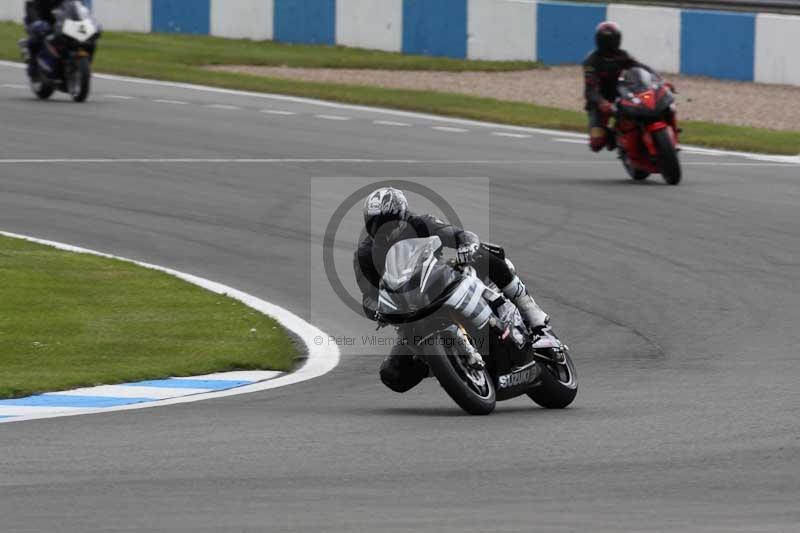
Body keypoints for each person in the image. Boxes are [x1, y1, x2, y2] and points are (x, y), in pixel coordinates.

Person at [353, 187, 560, 393]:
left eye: (386, 222)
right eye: (375, 223)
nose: (382, 229)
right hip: (410, 312)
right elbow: (369, 295)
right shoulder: (365, 254)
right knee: (393, 375)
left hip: (440, 280)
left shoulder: (420, 223)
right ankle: (448, 362)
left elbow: (455, 234)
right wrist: (377, 309)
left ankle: (533, 317)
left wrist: (466, 244)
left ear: (402, 214)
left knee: (483, 255)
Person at [583, 21, 652, 152]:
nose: (609, 43)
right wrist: (602, 102)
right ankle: (613, 136)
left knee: (646, 109)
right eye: (606, 40)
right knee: (596, 143)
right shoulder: (591, 61)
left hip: (622, 94)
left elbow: (640, 67)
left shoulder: (623, 55)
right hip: (599, 101)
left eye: (612, 39)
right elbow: (590, 90)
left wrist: (657, 79)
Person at [23, 0, 64, 76]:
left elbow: (73, 6)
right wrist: (36, 21)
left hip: (58, 22)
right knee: (37, 36)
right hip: (38, 19)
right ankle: (33, 63)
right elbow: (30, 6)